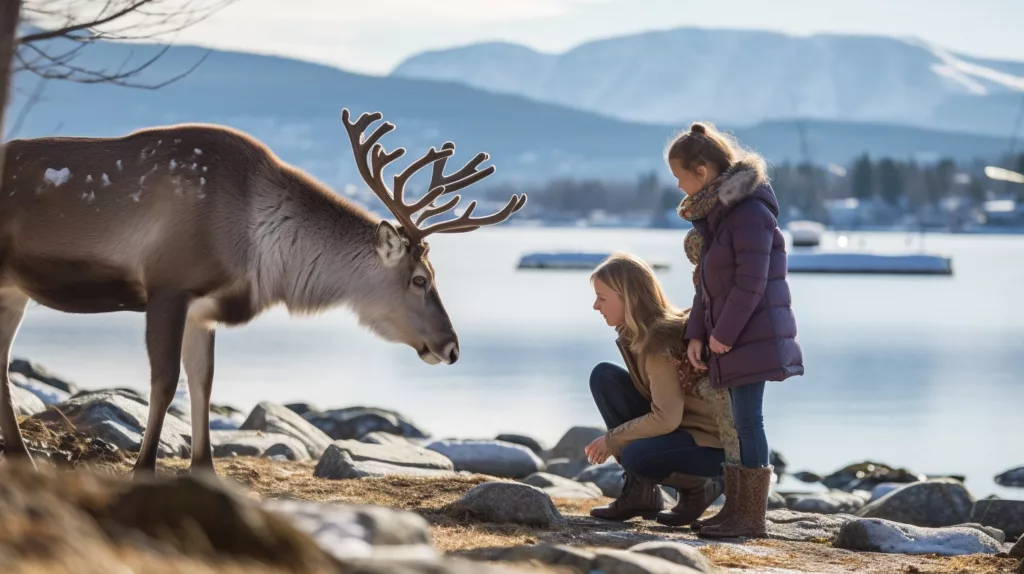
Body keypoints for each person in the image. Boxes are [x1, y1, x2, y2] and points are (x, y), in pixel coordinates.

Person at [666, 122, 804, 538]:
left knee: (748, 422)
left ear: (702, 172)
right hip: (735, 335)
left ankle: (749, 518)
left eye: (679, 177)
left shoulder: (748, 214)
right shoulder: (723, 216)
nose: (678, 187)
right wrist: (695, 333)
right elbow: (707, 285)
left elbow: (751, 284)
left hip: (749, 335)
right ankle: (736, 512)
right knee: (742, 421)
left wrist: (721, 335)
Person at [583, 252, 729, 525]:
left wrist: (612, 438)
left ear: (631, 299)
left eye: (602, 298)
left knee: (635, 455)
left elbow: (666, 418)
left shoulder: (659, 342)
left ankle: (699, 487)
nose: (595, 306)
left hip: (707, 445)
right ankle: (641, 494)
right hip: (680, 428)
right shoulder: (636, 333)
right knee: (606, 378)